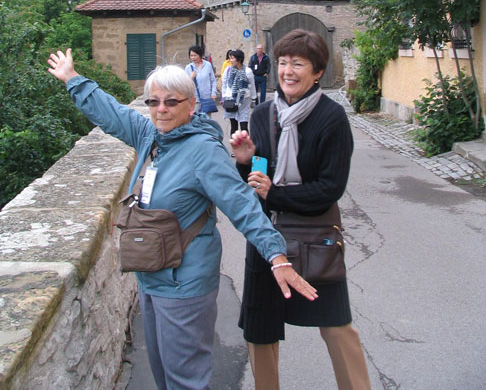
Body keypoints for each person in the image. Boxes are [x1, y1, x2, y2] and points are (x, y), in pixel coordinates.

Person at [47, 49, 317, 390]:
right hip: (151, 276)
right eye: (153, 101)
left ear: (191, 105)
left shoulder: (203, 151)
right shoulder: (152, 136)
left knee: (185, 381)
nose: (161, 109)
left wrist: (277, 257)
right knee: (164, 375)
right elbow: (112, 114)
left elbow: (242, 205)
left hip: (184, 284)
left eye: (171, 102)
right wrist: (73, 79)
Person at [230, 29, 371, 390]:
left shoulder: (331, 118)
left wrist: (275, 195)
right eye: (282, 62)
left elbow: (329, 189)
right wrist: (247, 163)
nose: (287, 71)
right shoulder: (263, 115)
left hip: (315, 235)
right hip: (267, 237)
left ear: (317, 72)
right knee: (260, 331)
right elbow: (260, 177)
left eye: (297, 63)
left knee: (337, 326)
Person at [221, 49, 256, 135]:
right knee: (234, 126)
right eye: (230, 58)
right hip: (231, 100)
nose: (230, 60)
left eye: (232, 58)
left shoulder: (248, 71)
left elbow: (252, 85)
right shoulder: (228, 70)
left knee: (244, 126)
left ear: (239, 59)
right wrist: (224, 96)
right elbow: (224, 84)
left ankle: (246, 144)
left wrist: (254, 98)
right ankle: (235, 145)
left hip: (244, 100)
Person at [184, 45, 217, 116]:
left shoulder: (207, 65)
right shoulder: (188, 67)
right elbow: (185, 84)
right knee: (196, 120)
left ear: (200, 55)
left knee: (207, 120)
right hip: (195, 99)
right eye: (191, 55)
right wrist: (191, 77)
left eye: (195, 55)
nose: (193, 58)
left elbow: (213, 80)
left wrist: (213, 93)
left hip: (207, 98)